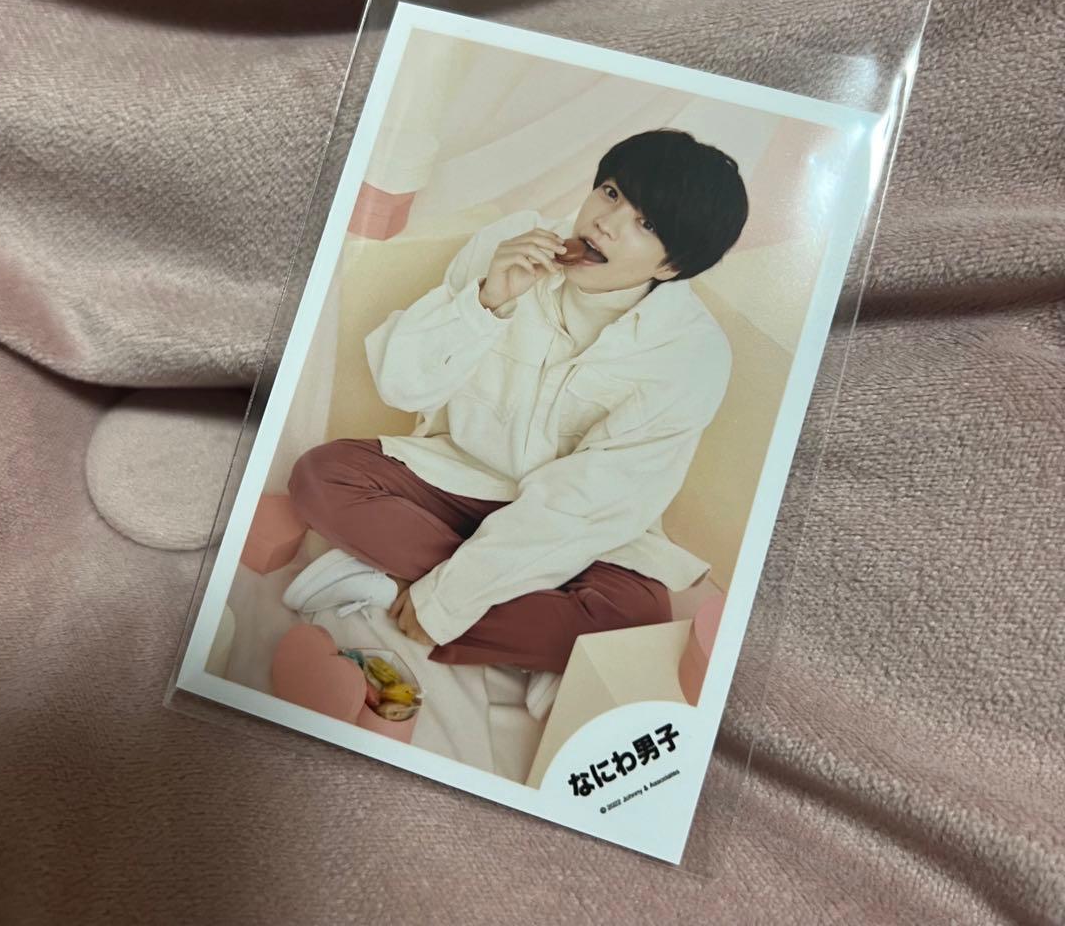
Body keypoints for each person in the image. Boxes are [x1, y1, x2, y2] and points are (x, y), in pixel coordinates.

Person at [283, 129, 748, 675]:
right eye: (611, 193)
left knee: (629, 620)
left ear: (671, 267)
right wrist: (487, 301)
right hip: (457, 480)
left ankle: (395, 590)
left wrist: (449, 598)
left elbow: (590, 501)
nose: (606, 222)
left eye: (646, 224)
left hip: (580, 528)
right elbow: (401, 386)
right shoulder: (509, 242)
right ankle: (473, 606)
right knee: (321, 476)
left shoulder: (690, 354)